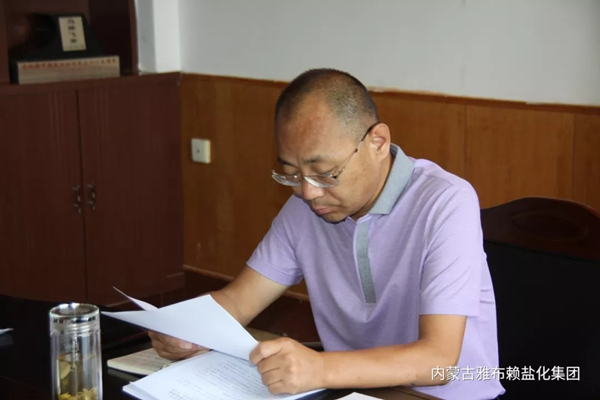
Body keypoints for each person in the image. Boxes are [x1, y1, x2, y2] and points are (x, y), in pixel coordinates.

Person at [150, 69, 505, 400]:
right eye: (292, 173)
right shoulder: (304, 210)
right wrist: (187, 328)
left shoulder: (445, 203)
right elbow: (239, 301)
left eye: (324, 173)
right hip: (351, 392)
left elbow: (438, 359)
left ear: (378, 142)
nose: (309, 192)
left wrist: (319, 368)